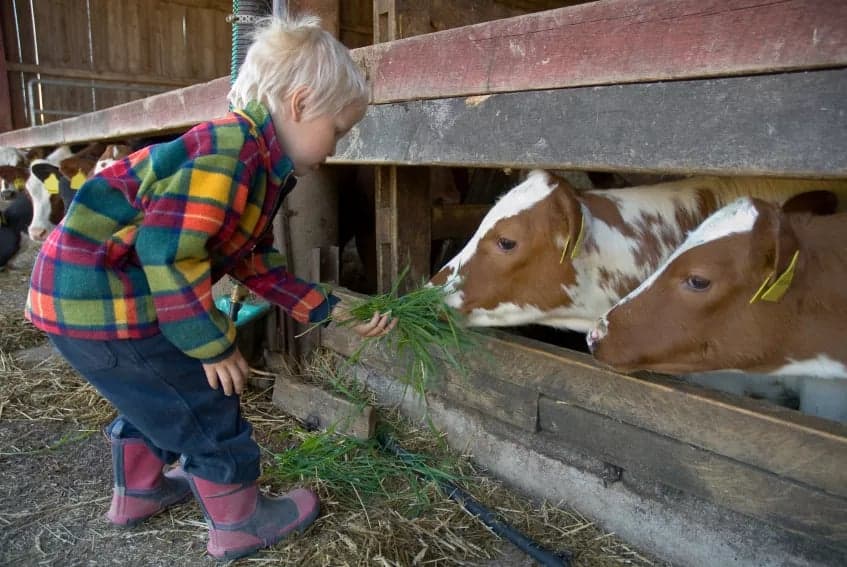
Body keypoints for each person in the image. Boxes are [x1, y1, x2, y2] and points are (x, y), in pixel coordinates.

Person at [25, 14, 395, 562]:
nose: (335, 148)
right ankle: (239, 522)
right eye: (337, 130)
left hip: (91, 301)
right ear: (297, 104)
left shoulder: (256, 167)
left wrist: (329, 311)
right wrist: (212, 343)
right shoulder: (228, 155)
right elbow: (167, 252)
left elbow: (257, 265)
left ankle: (141, 492)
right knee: (205, 400)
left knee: (156, 393)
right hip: (100, 303)